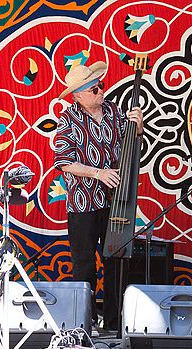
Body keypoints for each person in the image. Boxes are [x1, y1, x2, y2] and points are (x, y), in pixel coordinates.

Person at [54, 61, 144, 332]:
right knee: (84, 265)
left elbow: (132, 148)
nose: (101, 91)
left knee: (116, 261)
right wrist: (98, 173)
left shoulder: (115, 111)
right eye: (94, 89)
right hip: (83, 202)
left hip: (116, 200)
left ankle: (116, 324)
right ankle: (85, 323)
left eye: (100, 86)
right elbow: (63, 161)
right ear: (78, 95)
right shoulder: (68, 119)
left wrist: (137, 129)